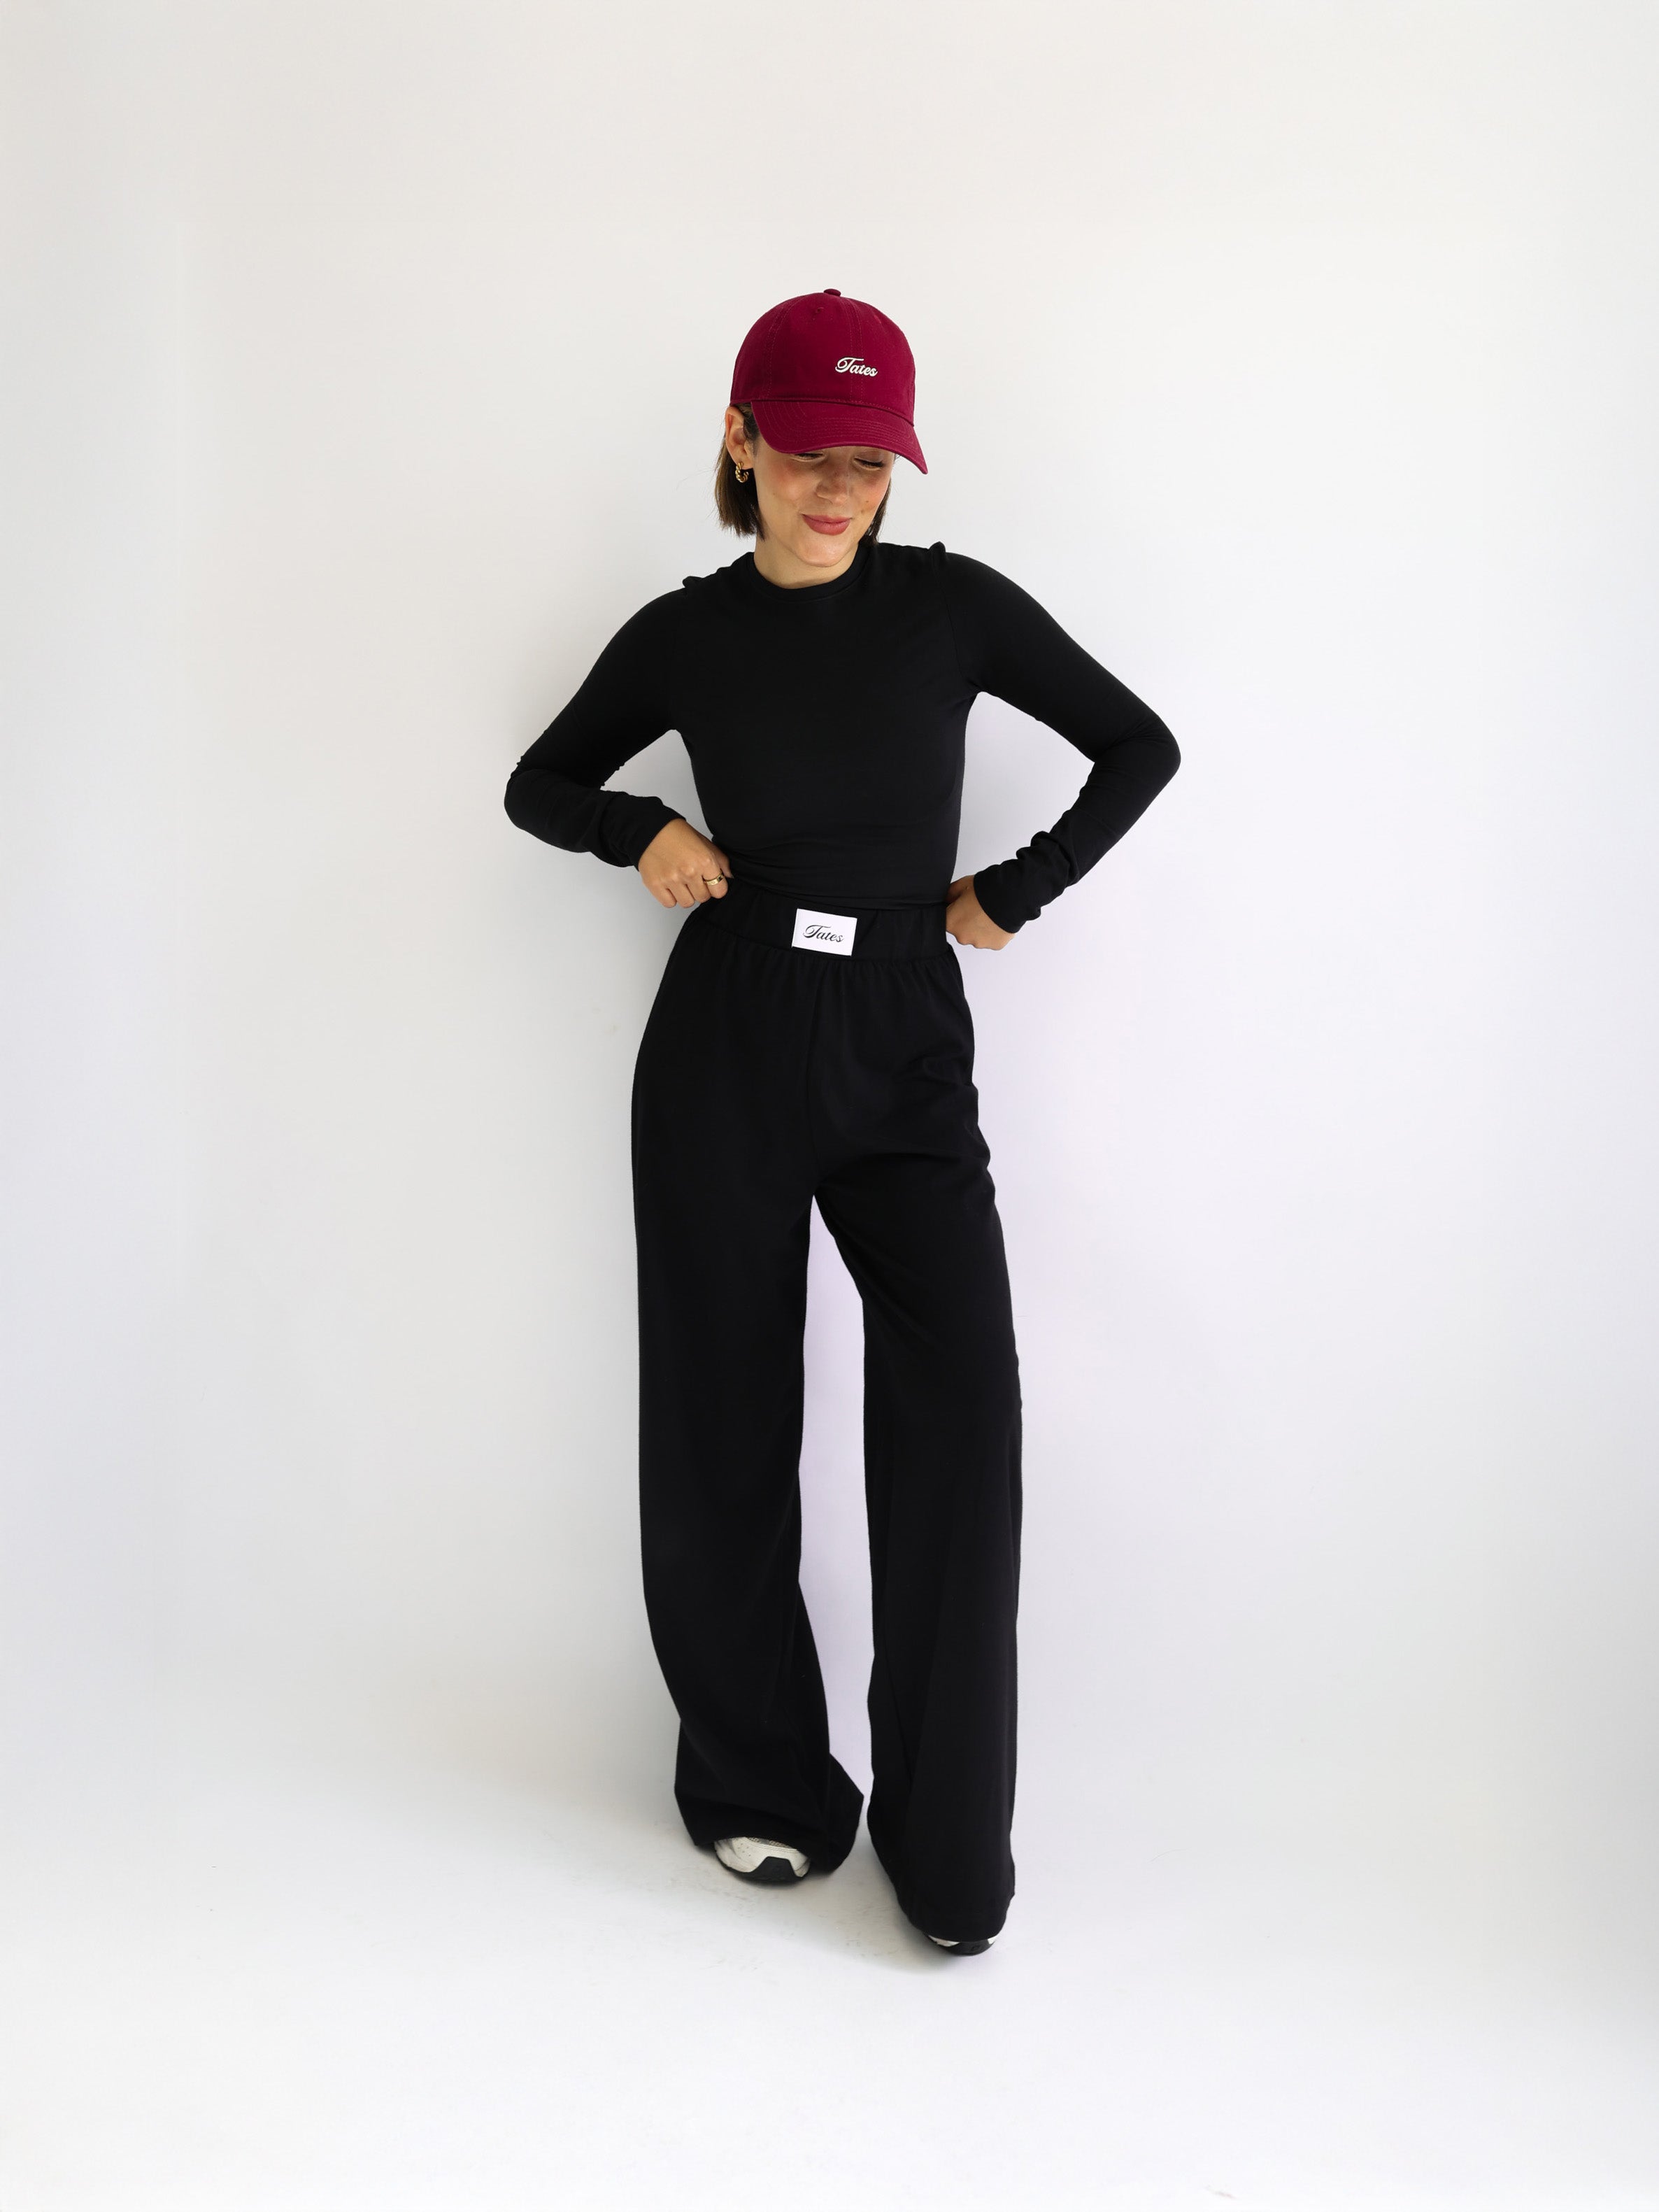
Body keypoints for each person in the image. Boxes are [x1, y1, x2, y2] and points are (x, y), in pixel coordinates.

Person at [504, 288, 1179, 1957]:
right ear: (741, 442)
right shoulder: (683, 636)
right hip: (726, 1032)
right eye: (809, 452)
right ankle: (762, 1785)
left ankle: (947, 1848)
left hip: (900, 1039)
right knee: (722, 1412)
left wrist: (1016, 888)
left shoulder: (953, 611)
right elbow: (539, 783)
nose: (838, 489)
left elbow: (1136, 744)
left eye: (870, 460)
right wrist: (638, 829)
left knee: (960, 1411)